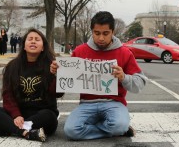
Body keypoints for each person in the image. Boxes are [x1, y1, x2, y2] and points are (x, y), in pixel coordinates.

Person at [50, 11, 147, 140]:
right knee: (71, 131)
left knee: (119, 125)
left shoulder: (125, 53)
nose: (101, 38)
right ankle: (114, 130)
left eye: (105, 33)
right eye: (97, 33)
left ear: (113, 32)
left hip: (115, 103)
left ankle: (117, 128)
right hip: (87, 104)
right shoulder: (80, 51)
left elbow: (140, 83)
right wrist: (58, 73)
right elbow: (66, 82)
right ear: (92, 31)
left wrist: (124, 77)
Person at [0, 28, 64, 142]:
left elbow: (57, 93)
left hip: (41, 114)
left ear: (43, 47)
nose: (33, 41)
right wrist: (16, 115)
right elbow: (8, 95)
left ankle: (8, 128)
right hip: (19, 113)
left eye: (37, 39)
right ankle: (26, 132)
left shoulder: (52, 65)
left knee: (50, 117)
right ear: (24, 45)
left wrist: (55, 75)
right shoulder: (12, 66)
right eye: (30, 39)